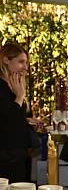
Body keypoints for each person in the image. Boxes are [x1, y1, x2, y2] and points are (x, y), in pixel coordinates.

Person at [0, 42, 32, 182]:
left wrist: (26, 121)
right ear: (6, 60)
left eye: (26, 63)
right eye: (21, 62)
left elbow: (12, 116)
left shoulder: (13, 86)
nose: (25, 67)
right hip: (6, 158)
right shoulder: (2, 88)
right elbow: (6, 122)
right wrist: (19, 97)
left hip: (18, 155)